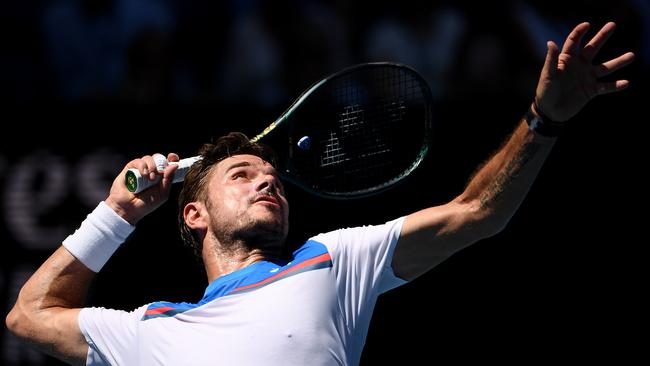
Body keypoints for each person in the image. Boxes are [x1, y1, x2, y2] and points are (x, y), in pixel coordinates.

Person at [5, 22, 634, 365]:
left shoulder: (332, 262)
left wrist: (542, 119)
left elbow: (478, 212)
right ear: (193, 214)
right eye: (242, 175)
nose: (268, 179)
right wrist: (116, 213)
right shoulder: (149, 331)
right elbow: (27, 316)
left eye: (270, 176)